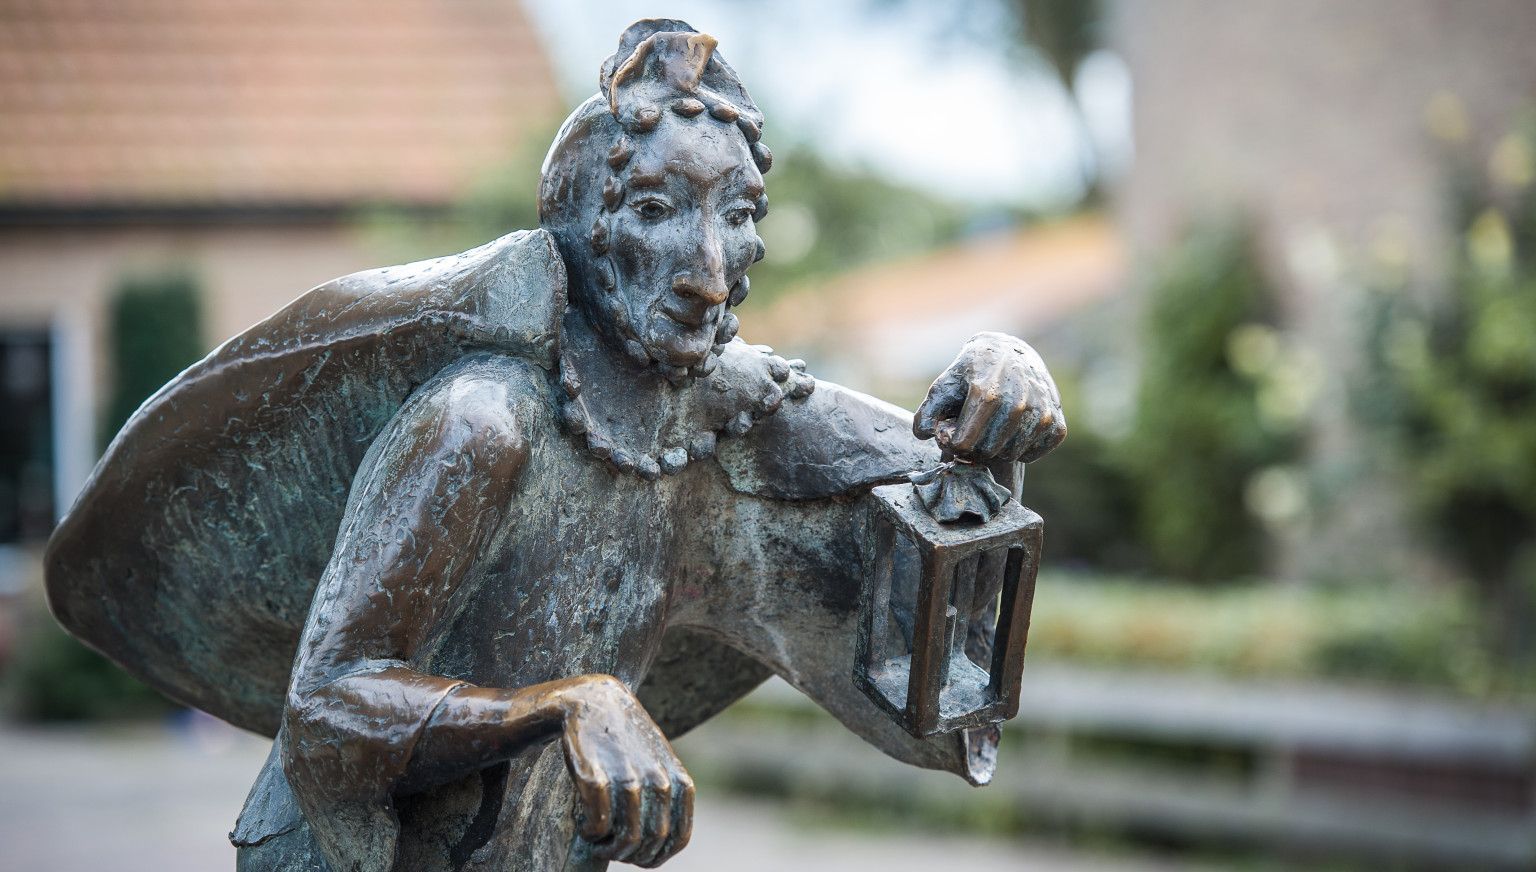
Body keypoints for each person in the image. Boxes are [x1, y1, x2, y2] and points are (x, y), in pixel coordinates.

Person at [46, 20, 1065, 872]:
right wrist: (559, 706)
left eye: (740, 216)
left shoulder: (715, 445)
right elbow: (326, 710)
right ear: (583, 226)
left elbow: (931, 678)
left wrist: (998, 385)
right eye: (659, 210)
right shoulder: (484, 422)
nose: (709, 271)